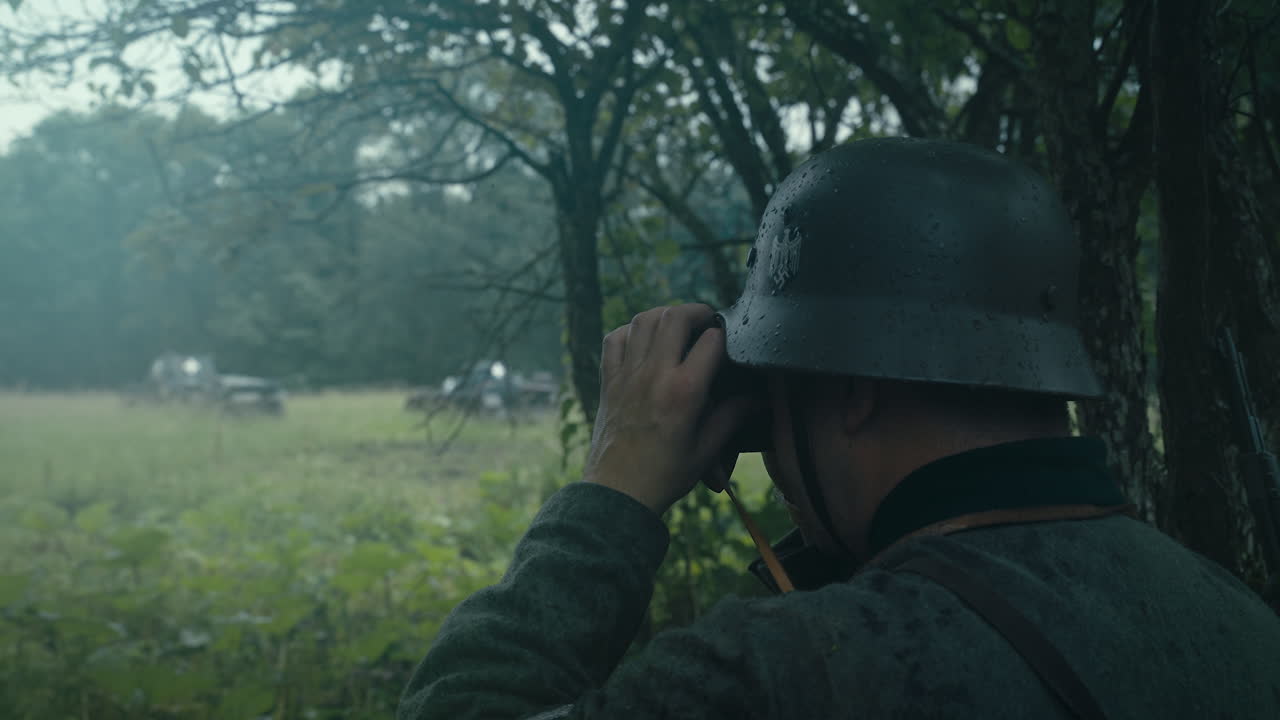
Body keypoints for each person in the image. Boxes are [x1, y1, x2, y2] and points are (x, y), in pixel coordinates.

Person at [397, 138, 1280, 719]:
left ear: (852, 390)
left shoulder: (791, 671)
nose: (775, 455)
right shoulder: (1237, 615)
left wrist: (615, 485)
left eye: (779, 400)